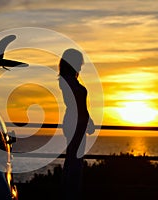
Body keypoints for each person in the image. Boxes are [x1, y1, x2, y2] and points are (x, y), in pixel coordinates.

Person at [58, 48, 95, 199]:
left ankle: (70, 192)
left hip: (77, 121)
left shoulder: (70, 80)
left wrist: (88, 120)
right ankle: (70, 193)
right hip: (76, 122)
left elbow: (81, 105)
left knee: (74, 159)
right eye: (79, 62)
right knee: (74, 160)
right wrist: (87, 121)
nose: (81, 66)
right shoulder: (67, 80)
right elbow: (77, 104)